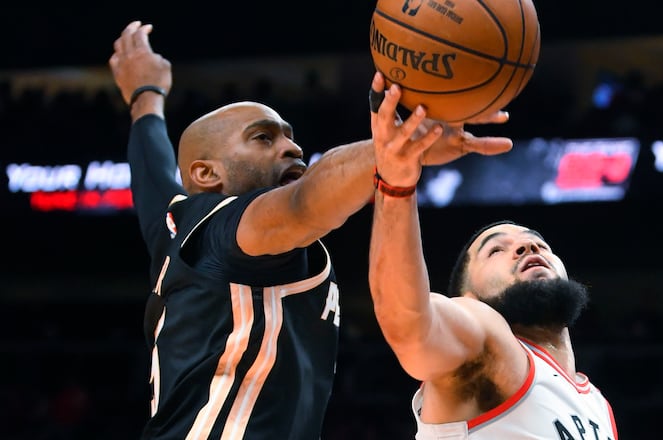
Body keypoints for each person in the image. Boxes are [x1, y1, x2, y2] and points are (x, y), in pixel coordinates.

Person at [108, 20, 513, 440]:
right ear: (207, 174)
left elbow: (151, 171)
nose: (292, 148)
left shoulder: (173, 225)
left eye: (289, 136)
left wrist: (145, 95)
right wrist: (391, 150)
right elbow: (306, 202)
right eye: (263, 138)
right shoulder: (226, 229)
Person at [367, 82, 619, 439]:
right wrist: (395, 184)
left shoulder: (597, 404)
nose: (527, 249)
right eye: (496, 249)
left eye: (537, 243)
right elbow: (409, 325)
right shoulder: (487, 339)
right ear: (467, 298)